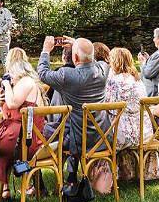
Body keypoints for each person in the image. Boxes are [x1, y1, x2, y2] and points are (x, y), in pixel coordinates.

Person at [38, 36, 109, 185]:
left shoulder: (67, 75)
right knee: (66, 125)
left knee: (41, 129)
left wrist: (46, 50)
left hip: (76, 140)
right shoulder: (103, 70)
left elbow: (43, 73)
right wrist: (77, 44)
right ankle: (71, 175)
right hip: (101, 136)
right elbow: (95, 60)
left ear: (74, 57)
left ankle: (44, 180)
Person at [0, 48, 46, 202]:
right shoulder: (23, 83)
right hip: (22, 138)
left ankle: (6, 186)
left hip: (28, 142)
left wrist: (6, 84)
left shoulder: (26, 82)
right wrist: (1, 103)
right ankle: (7, 188)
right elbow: (8, 115)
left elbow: (13, 104)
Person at [104, 47, 159, 181]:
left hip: (122, 136)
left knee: (104, 127)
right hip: (144, 132)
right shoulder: (137, 80)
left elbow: (107, 107)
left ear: (114, 62)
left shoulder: (113, 81)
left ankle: (109, 177)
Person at [139, 27, 159, 96]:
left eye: (154, 37)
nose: (153, 40)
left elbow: (147, 73)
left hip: (153, 94)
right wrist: (148, 59)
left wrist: (143, 62)